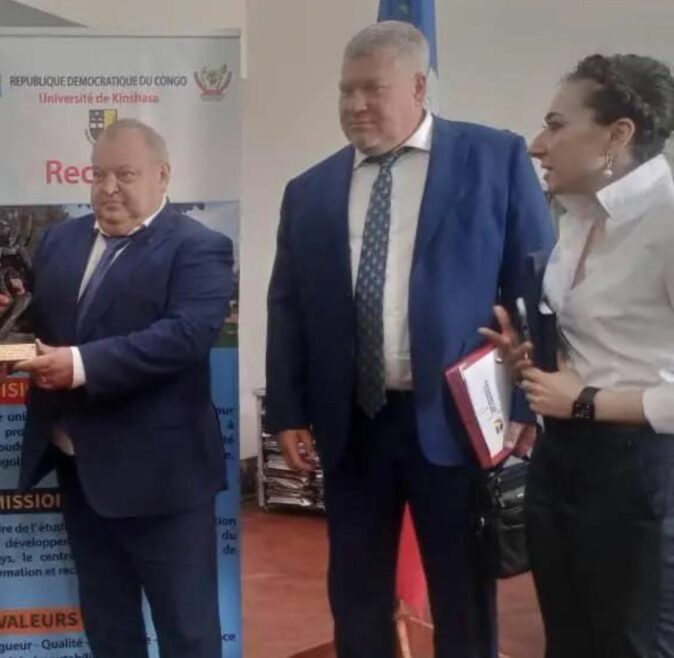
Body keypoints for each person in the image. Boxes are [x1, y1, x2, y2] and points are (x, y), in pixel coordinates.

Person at [263, 21, 555, 658]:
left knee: (463, 592)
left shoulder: (494, 159)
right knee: (356, 593)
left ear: (420, 87)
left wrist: (527, 400)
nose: (355, 105)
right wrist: (285, 410)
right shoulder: (309, 190)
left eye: (373, 89)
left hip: (457, 421)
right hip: (352, 424)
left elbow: (534, 287)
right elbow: (288, 307)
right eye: (346, 91)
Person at [0, 118, 234, 658]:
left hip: (164, 481)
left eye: (125, 174)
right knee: (108, 627)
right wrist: (4, 325)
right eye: (98, 175)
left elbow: (185, 336)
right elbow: (41, 322)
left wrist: (79, 365)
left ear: (162, 174)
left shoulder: (200, 247)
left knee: (188, 632)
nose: (108, 188)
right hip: (81, 471)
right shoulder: (60, 239)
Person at [482, 53, 674, 658]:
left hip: (643, 474)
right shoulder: (575, 219)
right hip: (562, 461)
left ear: (618, 134)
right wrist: (531, 364)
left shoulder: (667, 223)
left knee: (632, 644)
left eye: (557, 125)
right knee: (568, 640)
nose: (538, 145)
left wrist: (586, 400)